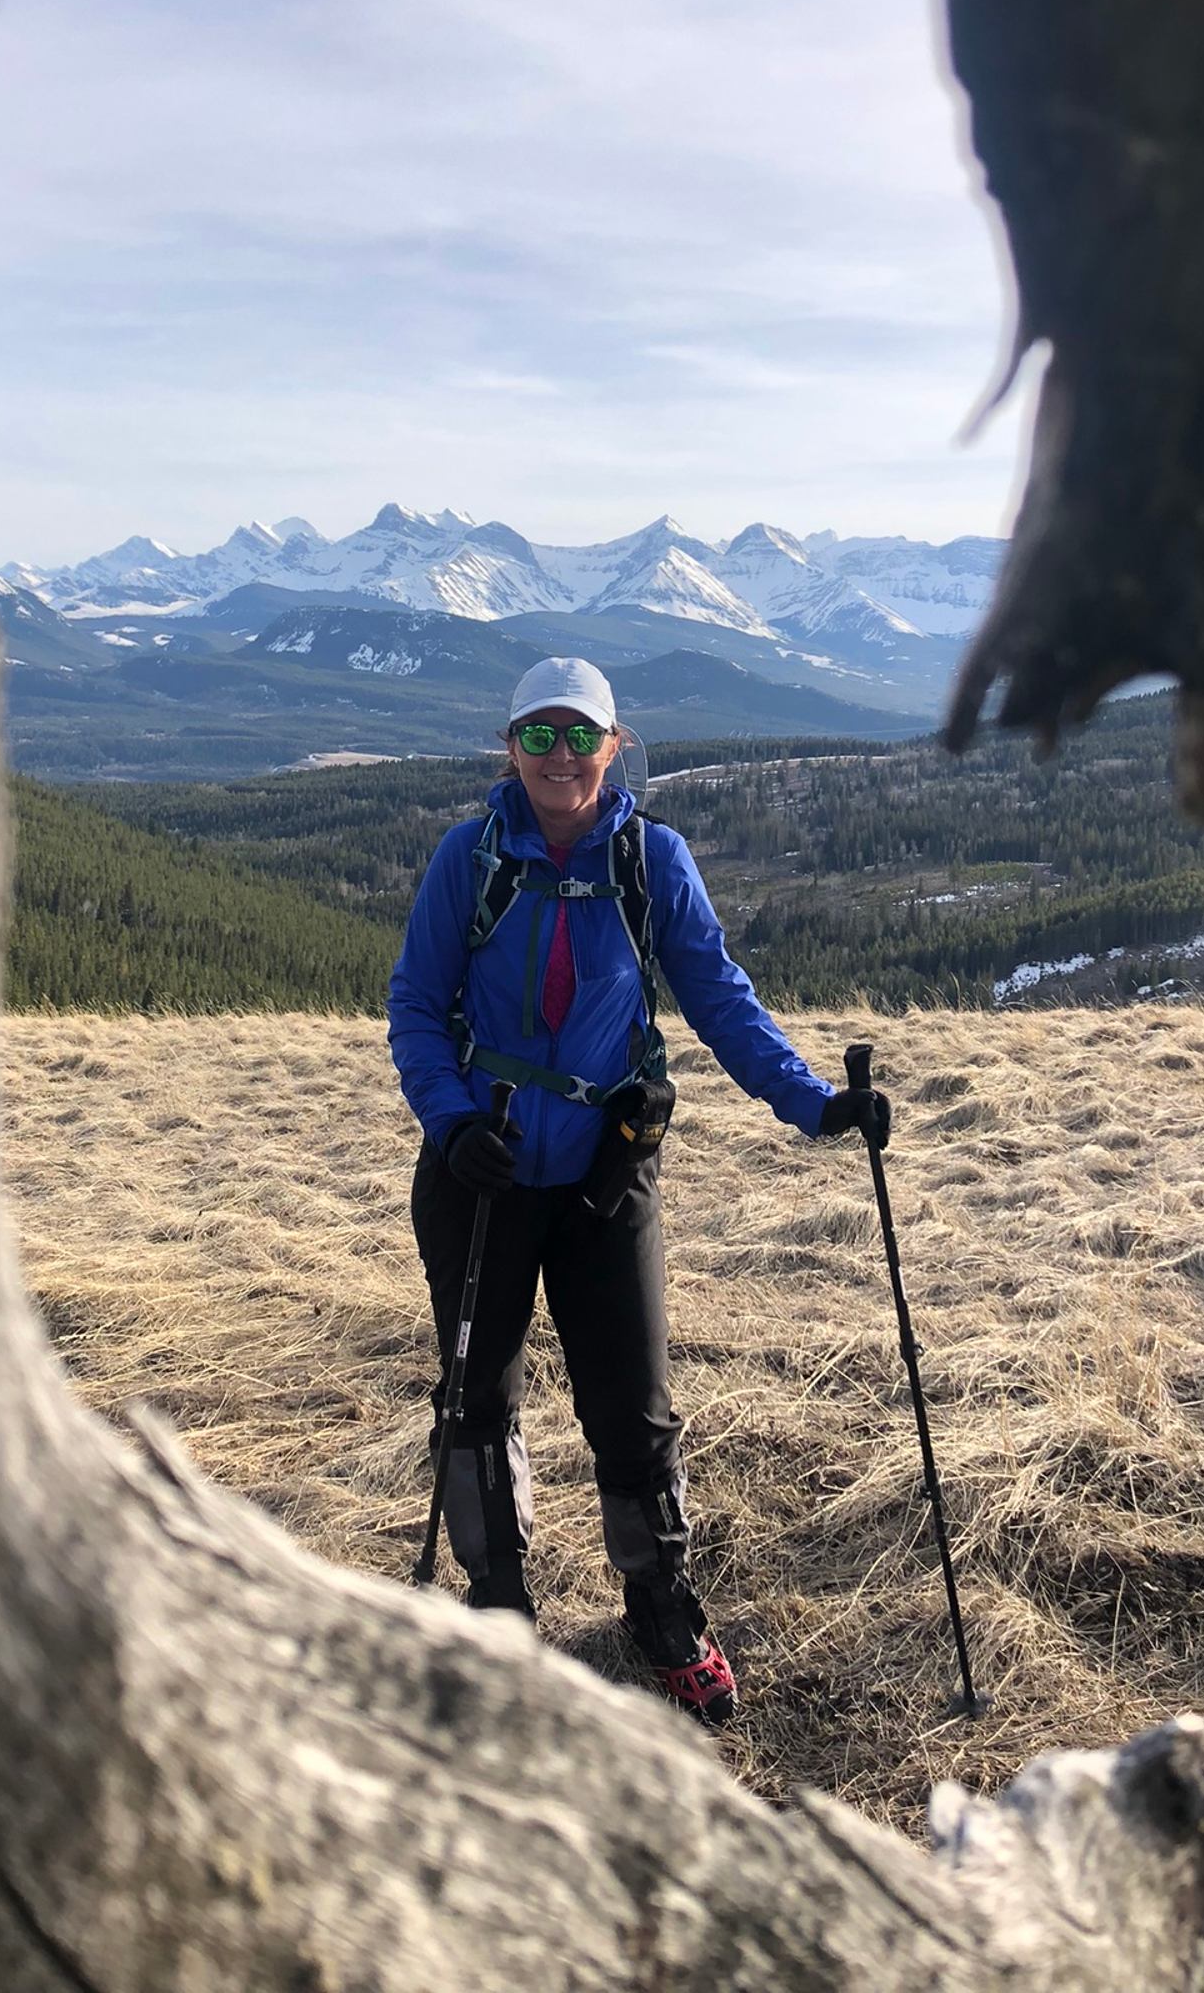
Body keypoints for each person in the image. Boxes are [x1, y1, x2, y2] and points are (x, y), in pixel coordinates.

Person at [389, 654, 890, 1726]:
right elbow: (417, 1004)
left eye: (581, 736)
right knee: (477, 1398)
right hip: (480, 1170)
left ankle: (658, 1599)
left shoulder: (650, 858)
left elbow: (716, 993)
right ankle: (498, 1597)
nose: (560, 756)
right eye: (540, 735)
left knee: (634, 1405)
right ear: (509, 747)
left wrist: (814, 1104)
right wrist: (452, 1119)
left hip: (606, 1172)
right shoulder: (466, 856)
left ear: (615, 748)